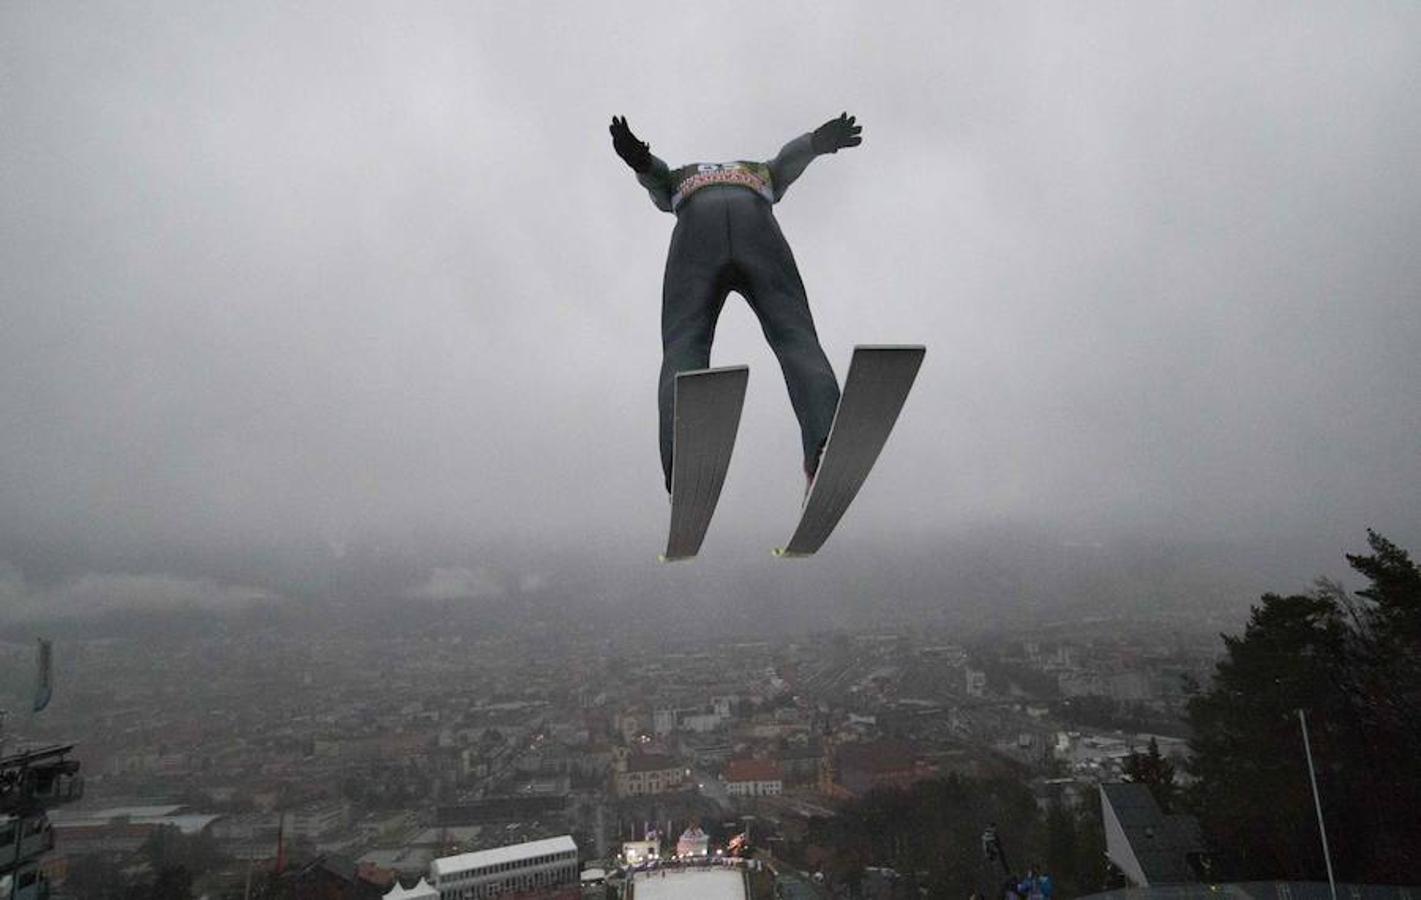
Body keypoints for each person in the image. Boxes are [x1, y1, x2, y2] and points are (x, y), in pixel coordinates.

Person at [609, 112, 864, 493]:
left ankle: (681, 455)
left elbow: (658, 176)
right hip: (757, 226)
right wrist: (816, 142)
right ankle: (825, 435)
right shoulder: (759, 171)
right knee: (795, 336)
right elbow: (786, 161)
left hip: (697, 231)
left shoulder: (683, 176)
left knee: (685, 343)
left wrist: (640, 161)